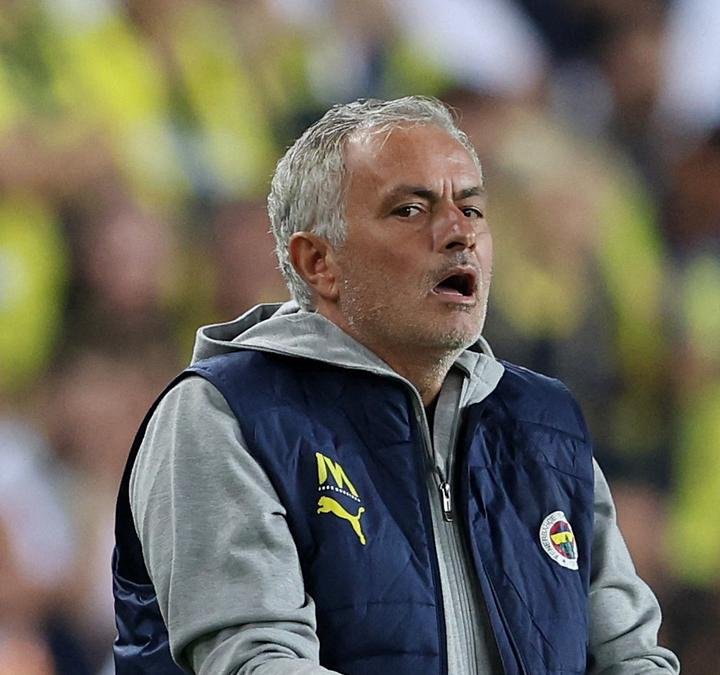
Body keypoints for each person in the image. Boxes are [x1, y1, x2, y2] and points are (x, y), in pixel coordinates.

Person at [111, 96, 680, 675]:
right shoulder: (225, 414)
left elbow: (632, 657)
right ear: (318, 262)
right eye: (410, 210)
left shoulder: (543, 424)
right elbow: (256, 662)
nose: (459, 233)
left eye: (472, 209)